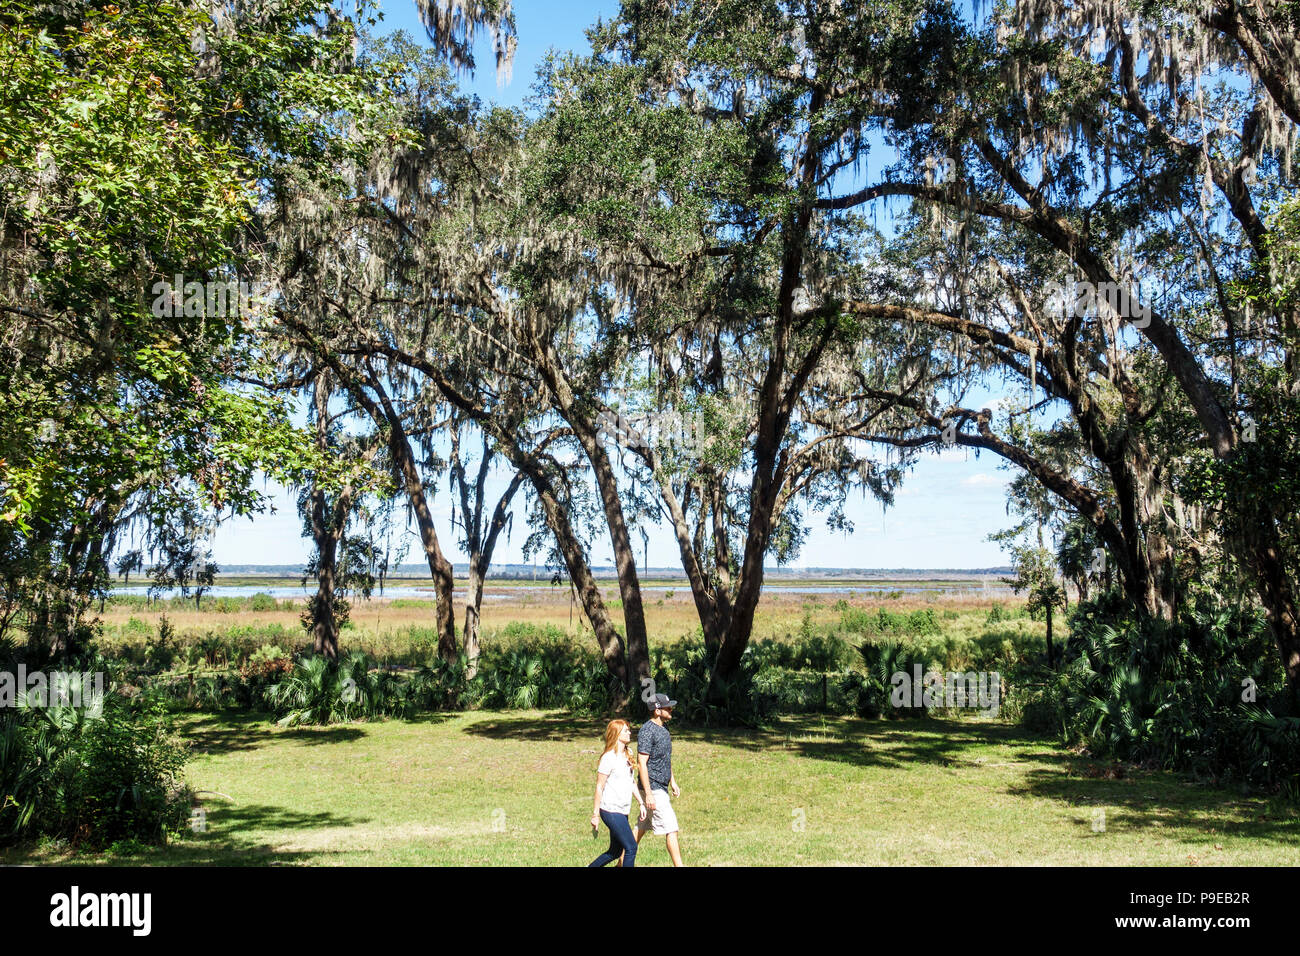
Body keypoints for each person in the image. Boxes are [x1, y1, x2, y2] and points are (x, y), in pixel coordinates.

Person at [588, 718, 645, 867]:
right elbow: (599, 787)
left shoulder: (628, 754)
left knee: (614, 851)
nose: (629, 732)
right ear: (617, 734)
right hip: (610, 810)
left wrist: (641, 803)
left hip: (623, 809)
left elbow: (631, 782)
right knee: (631, 847)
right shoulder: (608, 758)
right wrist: (595, 815)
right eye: (626, 730)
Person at [635, 692, 683, 866]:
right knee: (671, 827)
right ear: (657, 710)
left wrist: (673, 781)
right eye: (667, 707)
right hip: (652, 788)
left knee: (640, 828)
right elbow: (641, 763)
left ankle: (621, 863)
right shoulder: (647, 731)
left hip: (660, 786)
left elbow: (665, 758)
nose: (671, 710)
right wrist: (648, 794)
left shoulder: (664, 729)